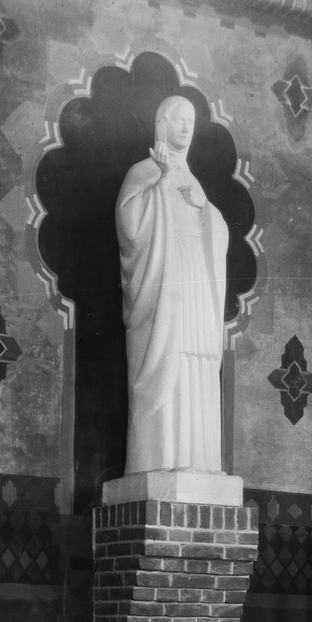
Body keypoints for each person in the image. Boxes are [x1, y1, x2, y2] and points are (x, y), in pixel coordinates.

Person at [115, 96, 229, 474]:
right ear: (162, 122)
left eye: (191, 122)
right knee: (170, 360)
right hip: (164, 291)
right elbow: (130, 229)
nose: (185, 128)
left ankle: (199, 460)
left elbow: (218, 236)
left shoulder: (194, 180)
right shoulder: (142, 171)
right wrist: (161, 179)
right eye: (178, 120)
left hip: (196, 282)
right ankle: (162, 459)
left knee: (197, 360)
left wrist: (205, 209)